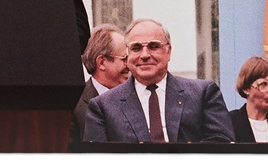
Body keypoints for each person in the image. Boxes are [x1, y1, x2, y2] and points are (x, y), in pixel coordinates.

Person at [83, 18, 235, 143]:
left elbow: (222, 143)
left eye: (153, 46)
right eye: (136, 48)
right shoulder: (103, 107)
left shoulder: (202, 94)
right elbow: (98, 160)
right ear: (128, 55)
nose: (144, 55)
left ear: (168, 51)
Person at [69, 24, 129, 143]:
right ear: (101, 62)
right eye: (124, 59)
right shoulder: (73, 104)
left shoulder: (136, 97)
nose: (129, 65)